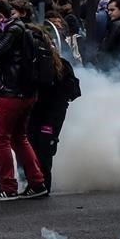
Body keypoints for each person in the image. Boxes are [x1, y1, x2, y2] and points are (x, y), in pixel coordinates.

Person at [0, 0, 46, 201]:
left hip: (10, 94)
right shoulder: (20, 29)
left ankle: (7, 187)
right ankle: (37, 183)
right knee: (19, 138)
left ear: (0, 16)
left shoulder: (10, 31)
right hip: (25, 94)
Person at [27, 25, 80, 193]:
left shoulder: (60, 65)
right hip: (41, 114)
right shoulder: (37, 63)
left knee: (43, 148)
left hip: (49, 115)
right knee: (35, 147)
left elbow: (73, 92)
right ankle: (35, 184)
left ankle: (42, 185)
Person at [97, 0, 120, 71]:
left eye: (112, 10)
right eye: (108, 10)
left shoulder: (117, 25)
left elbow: (106, 46)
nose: (109, 13)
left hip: (114, 66)